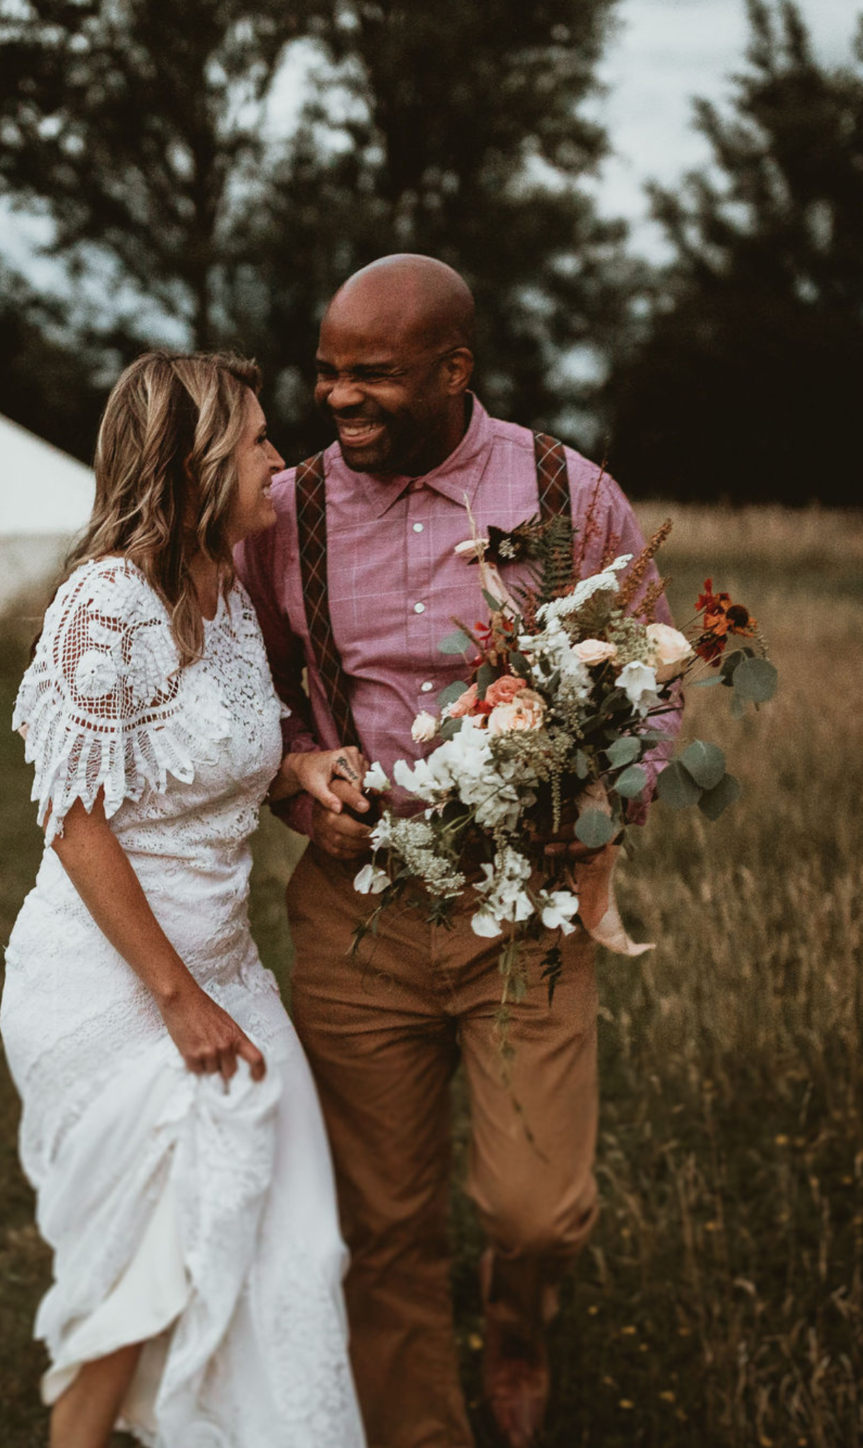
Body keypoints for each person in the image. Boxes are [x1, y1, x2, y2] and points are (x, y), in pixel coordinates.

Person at [238, 255, 680, 1448]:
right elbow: (245, 695)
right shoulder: (286, 513)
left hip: (528, 911)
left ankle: (521, 1317)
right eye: (326, 373)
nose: (337, 398)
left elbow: (654, 686)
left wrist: (592, 798)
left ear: (453, 368)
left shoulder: (567, 491)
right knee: (382, 1221)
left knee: (533, 1211)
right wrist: (293, 786)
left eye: (371, 375)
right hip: (354, 906)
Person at [0, 350, 368, 1448]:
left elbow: (202, 767)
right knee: (141, 1274)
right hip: (116, 987)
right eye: (258, 438)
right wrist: (174, 998)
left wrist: (297, 771)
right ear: (197, 461)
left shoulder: (228, 591)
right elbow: (76, 819)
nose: (278, 458)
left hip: (223, 970)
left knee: (294, 1242)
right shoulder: (105, 602)